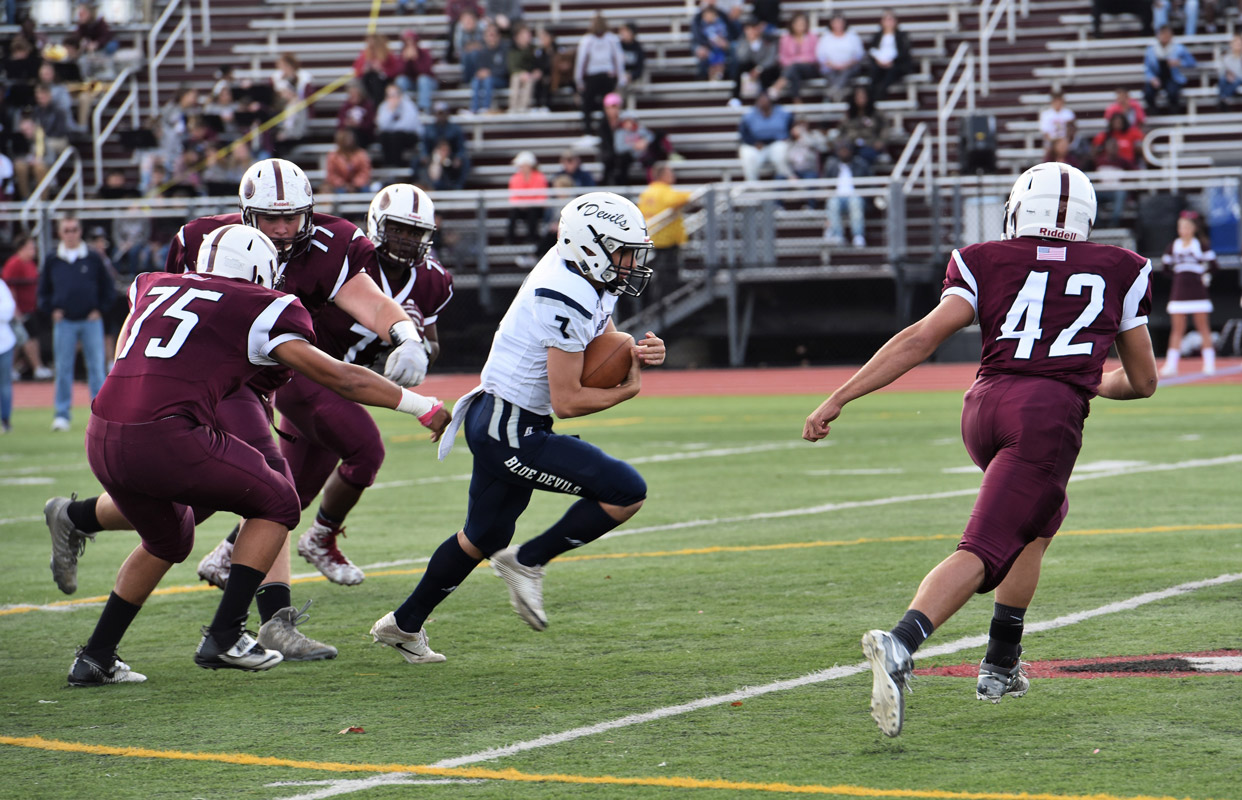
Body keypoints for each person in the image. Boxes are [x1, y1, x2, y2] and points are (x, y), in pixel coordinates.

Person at [803, 163, 1158, 738]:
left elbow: (921, 338)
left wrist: (840, 397)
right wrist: (1083, 379)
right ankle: (901, 642)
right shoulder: (1123, 268)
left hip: (984, 405)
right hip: (1045, 418)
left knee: (1042, 519)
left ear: (1019, 209)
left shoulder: (982, 257)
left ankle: (1000, 661)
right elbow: (1142, 381)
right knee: (987, 546)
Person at [45, 158, 434, 660]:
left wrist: (404, 333)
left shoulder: (328, 246)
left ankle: (78, 522)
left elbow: (372, 303)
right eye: (270, 218)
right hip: (219, 386)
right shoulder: (224, 262)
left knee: (193, 510)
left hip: (211, 390)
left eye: (292, 216)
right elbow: (335, 373)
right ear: (243, 216)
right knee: (275, 492)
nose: (282, 228)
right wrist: (421, 404)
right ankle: (261, 624)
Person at [369, 191, 666, 662]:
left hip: (501, 418)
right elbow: (568, 400)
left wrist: (634, 353)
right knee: (627, 490)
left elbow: (600, 342)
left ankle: (402, 625)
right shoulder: (563, 289)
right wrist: (626, 389)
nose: (630, 262)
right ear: (590, 245)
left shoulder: (586, 268)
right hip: (510, 427)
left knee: (482, 535)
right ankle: (528, 562)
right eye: (623, 250)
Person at [270, 184, 453, 586]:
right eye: (399, 229)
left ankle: (229, 553)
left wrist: (417, 348)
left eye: (415, 232)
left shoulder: (433, 281)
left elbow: (434, 344)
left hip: (345, 383)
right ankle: (320, 538)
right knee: (365, 450)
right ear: (377, 224)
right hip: (304, 369)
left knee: (294, 490)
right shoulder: (345, 257)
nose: (406, 239)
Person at [39, 216, 113, 432]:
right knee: (63, 369)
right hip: (65, 323)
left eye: (74, 229)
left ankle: (101, 415)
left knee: (97, 368)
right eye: (66, 230)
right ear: (60, 233)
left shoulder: (92, 257)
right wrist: (51, 309)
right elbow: (43, 291)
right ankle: (62, 415)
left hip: (91, 321)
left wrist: (99, 309)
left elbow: (107, 288)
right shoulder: (53, 259)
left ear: (80, 231)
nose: (70, 234)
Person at [1160, 210, 1218, 376]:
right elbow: (1165, 269)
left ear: (1193, 228)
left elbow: (1214, 266)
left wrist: (1205, 276)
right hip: (1179, 291)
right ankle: (1171, 365)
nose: (1183, 229)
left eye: (1186, 226)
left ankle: (1209, 364)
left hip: (1198, 291)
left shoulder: (1201, 245)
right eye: (1180, 226)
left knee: (1203, 327)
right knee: (1177, 328)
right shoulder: (1173, 246)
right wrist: (1179, 277)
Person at [637, 161, 693, 312]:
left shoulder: (647, 192)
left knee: (654, 274)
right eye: (670, 173)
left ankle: (653, 305)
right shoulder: (664, 191)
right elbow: (677, 200)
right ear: (663, 175)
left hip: (652, 236)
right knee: (667, 275)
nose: (673, 176)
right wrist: (691, 195)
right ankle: (666, 304)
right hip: (666, 239)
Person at [2, 234, 52, 380]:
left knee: (22, 340)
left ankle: (13, 368)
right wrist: (15, 311)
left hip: (30, 309)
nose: (33, 250)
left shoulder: (29, 263)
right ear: (21, 248)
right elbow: (9, 289)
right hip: (19, 312)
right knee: (27, 339)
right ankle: (37, 367)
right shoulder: (14, 264)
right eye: (30, 247)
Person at [574, 12, 625, 131]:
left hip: (603, 76)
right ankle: (589, 132)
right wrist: (579, 80)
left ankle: (604, 131)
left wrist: (579, 80)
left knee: (607, 106)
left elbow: (618, 58)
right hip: (598, 76)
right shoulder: (588, 40)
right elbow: (581, 60)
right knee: (587, 103)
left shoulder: (611, 39)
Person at [822, 140, 870, 247]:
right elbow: (825, 182)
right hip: (837, 196)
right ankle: (838, 235)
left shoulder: (860, 164)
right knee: (833, 203)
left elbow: (868, 183)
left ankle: (858, 236)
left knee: (855, 202)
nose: (844, 153)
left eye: (846, 150)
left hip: (854, 195)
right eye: (841, 151)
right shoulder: (832, 165)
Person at [738, 91, 792, 182]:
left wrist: (786, 137)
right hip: (757, 145)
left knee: (781, 153)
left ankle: (786, 179)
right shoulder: (750, 115)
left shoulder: (781, 112)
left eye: (765, 99)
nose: (763, 102)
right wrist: (754, 142)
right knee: (746, 153)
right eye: (761, 100)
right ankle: (753, 185)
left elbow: (790, 126)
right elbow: (744, 133)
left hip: (776, 143)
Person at [1144, 25, 1197, 113]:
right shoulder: (1151, 51)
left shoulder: (1179, 49)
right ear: (1158, 35)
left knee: (1172, 92)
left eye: (1167, 34)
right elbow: (1147, 68)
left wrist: (1179, 62)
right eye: (1162, 34)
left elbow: (1192, 63)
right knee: (1148, 92)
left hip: (1173, 77)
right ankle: (1153, 111)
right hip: (1158, 77)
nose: (1165, 37)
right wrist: (1152, 78)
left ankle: (1174, 111)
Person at [729, 14, 780, 105]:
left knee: (768, 72)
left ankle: (767, 99)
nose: (751, 31)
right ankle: (736, 97)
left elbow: (771, 58)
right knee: (740, 67)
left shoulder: (769, 39)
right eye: (748, 28)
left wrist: (759, 69)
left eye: (754, 28)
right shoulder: (742, 41)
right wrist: (750, 43)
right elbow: (741, 58)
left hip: (765, 69)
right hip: (749, 68)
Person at [815, 14, 865, 103]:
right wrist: (832, 65)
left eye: (840, 22)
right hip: (830, 67)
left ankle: (832, 93)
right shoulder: (826, 38)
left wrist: (847, 64)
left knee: (846, 72)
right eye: (836, 22)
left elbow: (859, 54)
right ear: (831, 24)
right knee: (830, 73)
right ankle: (838, 94)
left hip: (849, 66)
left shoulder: (852, 37)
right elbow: (820, 56)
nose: (838, 25)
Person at [771, 12, 818, 102]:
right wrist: (797, 61)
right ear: (792, 24)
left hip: (809, 69)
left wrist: (796, 61)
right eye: (798, 23)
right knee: (794, 72)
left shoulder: (812, 37)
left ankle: (777, 87)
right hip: (791, 69)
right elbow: (782, 58)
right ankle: (797, 102)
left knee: (793, 68)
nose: (801, 26)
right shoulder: (785, 39)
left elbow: (815, 57)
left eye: (803, 23)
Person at [866, 9, 913, 98]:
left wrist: (893, 61)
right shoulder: (877, 36)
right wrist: (878, 61)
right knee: (874, 72)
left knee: (891, 73)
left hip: (896, 64)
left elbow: (904, 52)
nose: (889, 22)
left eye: (891, 19)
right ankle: (870, 95)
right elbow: (872, 51)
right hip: (879, 63)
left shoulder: (901, 36)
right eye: (886, 19)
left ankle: (880, 94)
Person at [375, 82, 423, 168]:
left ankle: (398, 164)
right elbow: (381, 125)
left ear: (400, 95)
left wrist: (392, 128)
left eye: (394, 95)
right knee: (384, 136)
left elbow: (409, 125)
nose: (392, 98)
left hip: (409, 136)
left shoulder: (408, 105)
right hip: (393, 136)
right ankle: (388, 164)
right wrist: (391, 111)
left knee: (397, 136)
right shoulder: (384, 106)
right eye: (389, 95)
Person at [507, 150, 549, 244]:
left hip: (535, 209)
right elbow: (513, 197)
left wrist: (528, 203)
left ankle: (532, 238)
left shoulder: (540, 177)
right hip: (521, 208)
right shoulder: (515, 178)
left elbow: (542, 197)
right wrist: (522, 204)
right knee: (513, 212)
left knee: (532, 211)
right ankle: (510, 239)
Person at [354, 33, 402, 106]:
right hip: (369, 81)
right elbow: (357, 71)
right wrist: (364, 69)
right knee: (368, 78)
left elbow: (395, 71)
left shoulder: (387, 54)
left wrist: (382, 70)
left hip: (384, 81)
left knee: (376, 80)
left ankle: (377, 105)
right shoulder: (365, 54)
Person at [396, 30, 438, 114]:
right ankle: (399, 108)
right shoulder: (402, 55)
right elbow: (399, 72)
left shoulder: (424, 53)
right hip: (412, 83)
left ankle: (424, 108)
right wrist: (406, 61)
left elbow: (426, 71)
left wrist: (416, 59)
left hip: (428, 83)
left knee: (423, 79)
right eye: (407, 41)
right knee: (400, 80)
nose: (410, 43)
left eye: (412, 40)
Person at [322, 128, 373, 195]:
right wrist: (343, 184)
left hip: (359, 186)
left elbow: (365, 172)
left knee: (365, 189)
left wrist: (355, 184)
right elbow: (331, 175)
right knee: (337, 191)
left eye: (350, 138)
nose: (348, 141)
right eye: (346, 138)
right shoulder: (333, 156)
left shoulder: (361, 154)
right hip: (339, 187)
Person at [692, 3, 733, 81]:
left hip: (720, 49)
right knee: (710, 60)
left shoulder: (720, 24)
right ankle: (710, 79)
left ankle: (719, 77)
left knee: (720, 60)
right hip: (709, 48)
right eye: (707, 15)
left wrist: (723, 42)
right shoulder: (700, 23)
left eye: (711, 15)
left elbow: (727, 35)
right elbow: (699, 38)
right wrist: (708, 44)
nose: (709, 17)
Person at [506, 24, 540, 114]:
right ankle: (513, 106)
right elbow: (512, 67)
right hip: (518, 74)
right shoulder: (513, 50)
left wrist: (537, 71)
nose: (527, 37)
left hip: (530, 75)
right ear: (517, 37)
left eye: (528, 34)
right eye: (523, 34)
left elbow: (538, 64)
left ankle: (523, 106)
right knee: (516, 78)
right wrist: (521, 73)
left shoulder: (534, 49)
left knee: (529, 79)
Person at [0, 273, 14, 432]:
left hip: (3, 343)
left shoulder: (1, 285)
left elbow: (8, 310)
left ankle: (5, 419)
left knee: (4, 385)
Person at [1218, 33, 1242, 109]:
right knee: (1223, 79)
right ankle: (1224, 98)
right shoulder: (1227, 58)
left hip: (1239, 79)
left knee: (1237, 80)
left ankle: (1223, 98)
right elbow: (1222, 72)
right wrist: (1227, 74)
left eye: (1239, 43)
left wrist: (1234, 76)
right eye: (1236, 43)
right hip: (1229, 80)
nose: (1237, 45)